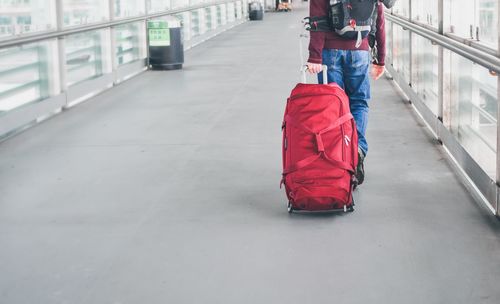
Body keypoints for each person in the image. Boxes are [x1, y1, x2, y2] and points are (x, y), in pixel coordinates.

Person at [307, 0, 386, 186]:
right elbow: (379, 18)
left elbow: (317, 18)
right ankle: (356, 149)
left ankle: (338, 159)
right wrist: (380, 59)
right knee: (359, 103)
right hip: (360, 51)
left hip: (330, 52)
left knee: (333, 106)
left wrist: (314, 56)